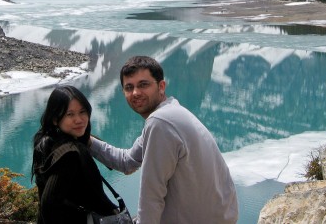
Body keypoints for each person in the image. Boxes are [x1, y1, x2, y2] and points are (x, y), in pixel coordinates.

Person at [90, 55, 239, 224]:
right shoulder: (170, 111)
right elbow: (127, 161)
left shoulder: (160, 122)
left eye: (143, 85)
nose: (136, 93)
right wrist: (88, 141)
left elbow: (151, 196)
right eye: (129, 87)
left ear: (161, 86)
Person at [32, 85, 120, 224]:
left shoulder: (48, 143)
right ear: (55, 119)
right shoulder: (69, 154)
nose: (78, 120)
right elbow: (49, 205)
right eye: (70, 114)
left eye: (82, 112)